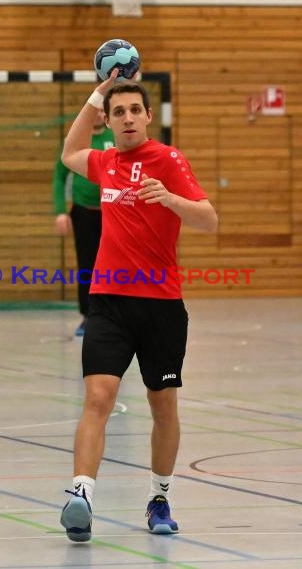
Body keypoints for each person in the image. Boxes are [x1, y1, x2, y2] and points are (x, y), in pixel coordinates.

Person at [59, 69, 218, 542]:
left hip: (161, 306)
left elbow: (209, 220)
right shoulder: (105, 161)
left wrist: (169, 198)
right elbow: (69, 151)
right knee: (98, 397)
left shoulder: (168, 159)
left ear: (149, 116)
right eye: (118, 112)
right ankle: (81, 495)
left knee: (162, 404)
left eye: (134, 110)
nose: (127, 119)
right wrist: (99, 92)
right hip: (108, 302)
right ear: (108, 121)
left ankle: (160, 497)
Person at [52, 108, 115, 337]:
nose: (98, 115)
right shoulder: (77, 140)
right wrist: (60, 211)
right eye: (94, 111)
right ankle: (88, 316)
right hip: (84, 212)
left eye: (102, 111)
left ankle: (115, 315)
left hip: (113, 212)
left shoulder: (115, 139)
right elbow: (59, 176)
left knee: (115, 264)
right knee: (87, 264)